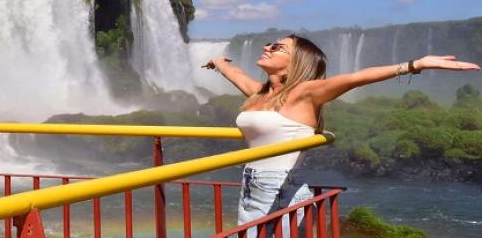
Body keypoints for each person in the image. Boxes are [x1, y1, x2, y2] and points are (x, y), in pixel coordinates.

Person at [202, 34, 480, 237]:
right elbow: (234, 72)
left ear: (297, 61)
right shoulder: (260, 94)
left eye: (277, 47)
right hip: (251, 190)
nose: (267, 47)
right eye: (268, 44)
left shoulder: (305, 93)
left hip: (281, 193)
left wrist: (414, 65)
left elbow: (354, 78)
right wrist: (218, 61)